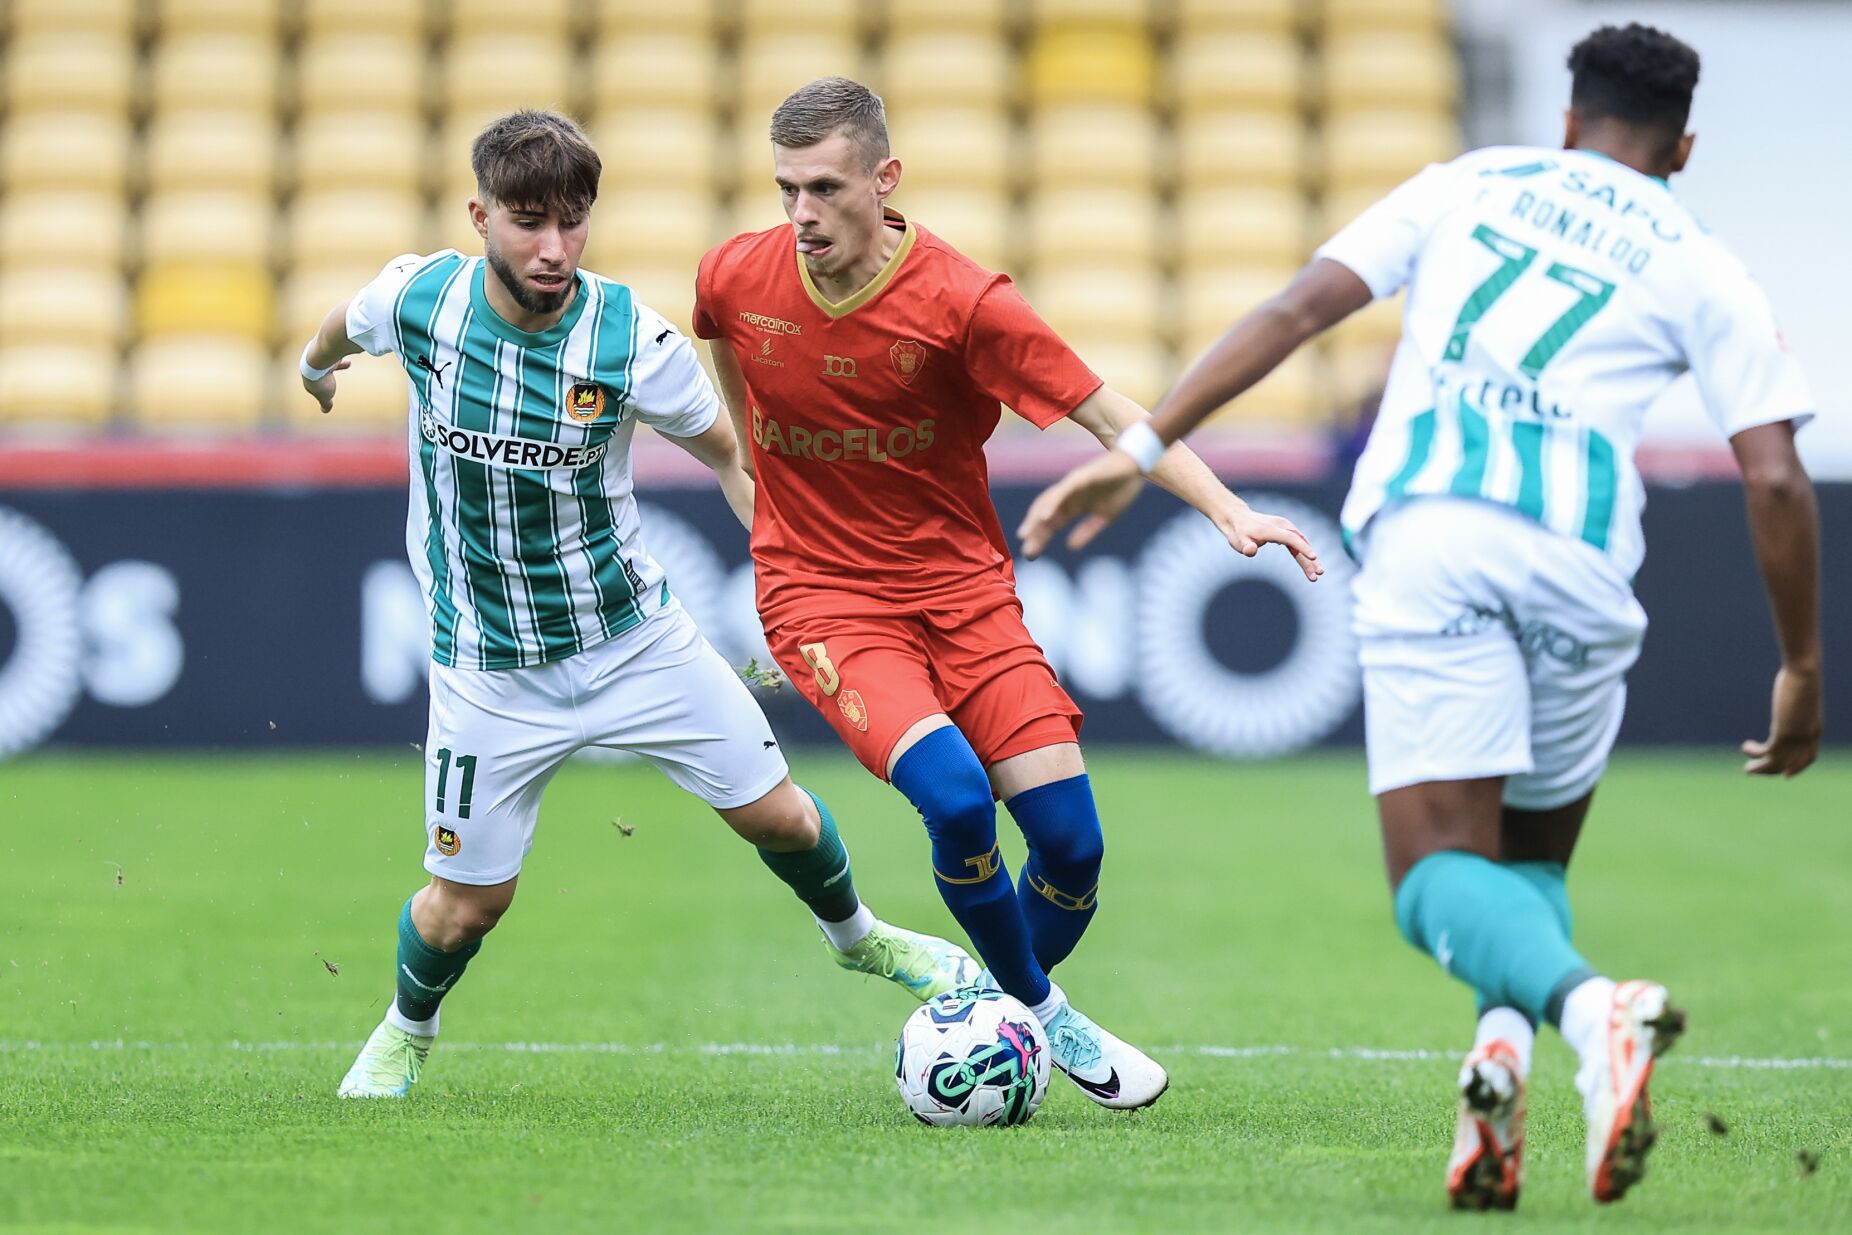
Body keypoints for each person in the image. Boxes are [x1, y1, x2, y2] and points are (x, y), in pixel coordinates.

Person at [1019, 23, 1821, 1206]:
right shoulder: (1701, 259)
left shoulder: (1473, 182)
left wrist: (1141, 447)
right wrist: (1801, 660)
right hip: (1585, 571)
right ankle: (1494, 1077)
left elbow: (1297, 310)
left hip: (1437, 536)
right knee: (1525, 866)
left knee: (1433, 876)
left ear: (1566, 119)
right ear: (1683, 146)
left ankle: (1596, 1013)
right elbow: (1772, 476)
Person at [297, 109, 976, 1099]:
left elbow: (738, 457)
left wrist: (797, 571)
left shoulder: (630, 338)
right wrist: (317, 372)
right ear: (479, 214)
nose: (553, 247)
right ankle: (408, 1025)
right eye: (529, 222)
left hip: (634, 641)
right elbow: (337, 328)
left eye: (572, 222)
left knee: (780, 815)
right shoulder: (419, 299)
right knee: (466, 903)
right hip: (486, 661)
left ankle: (860, 939)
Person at [692, 78, 1322, 1112]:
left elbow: (1108, 412)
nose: (799, 214)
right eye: (785, 188)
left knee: (1072, 846)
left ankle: (985, 1013)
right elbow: (720, 329)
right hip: (823, 595)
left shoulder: (962, 302)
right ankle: (1045, 1011)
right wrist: (750, 467)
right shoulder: (738, 272)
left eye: (823, 187)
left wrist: (1225, 509)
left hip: (965, 593)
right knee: (955, 796)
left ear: (884, 181)